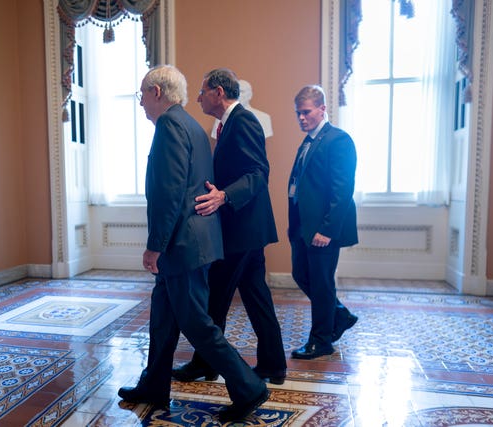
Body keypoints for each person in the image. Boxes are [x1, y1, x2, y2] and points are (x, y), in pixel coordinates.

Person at [117, 65, 269, 422]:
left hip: (181, 245)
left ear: (157, 92)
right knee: (163, 319)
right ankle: (153, 386)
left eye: (142, 94)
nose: (140, 102)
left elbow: (170, 193)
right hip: (191, 242)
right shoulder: (191, 125)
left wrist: (155, 245)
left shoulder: (170, 125)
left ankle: (249, 388)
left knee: (197, 324)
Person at [172, 68, 286, 384]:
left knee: (215, 298)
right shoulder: (228, 124)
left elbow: (258, 174)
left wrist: (223, 196)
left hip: (242, 230)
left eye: (202, 91)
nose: (197, 98)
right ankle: (273, 364)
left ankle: (205, 362)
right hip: (246, 230)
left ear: (219, 92)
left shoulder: (244, 120)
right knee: (255, 297)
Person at [287, 85, 359, 360]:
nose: (301, 118)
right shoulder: (309, 141)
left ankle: (321, 341)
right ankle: (339, 316)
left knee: (321, 283)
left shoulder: (338, 140)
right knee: (301, 275)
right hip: (303, 227)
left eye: (306, 112)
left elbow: (342, 190)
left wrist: (327, 229)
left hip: (323, 229)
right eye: (298, 113)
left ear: (322, 109)